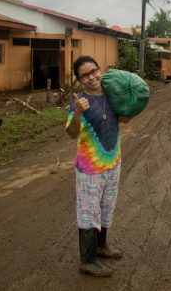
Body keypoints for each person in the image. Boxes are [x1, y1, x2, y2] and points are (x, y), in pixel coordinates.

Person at [65, 55, 123, 277]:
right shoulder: (79, 100)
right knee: (89, 211)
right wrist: (78, 112)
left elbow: (123, 118)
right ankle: (87, 260)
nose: (91, 77)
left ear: (100, 70)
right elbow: (71, 133)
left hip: (113, 162)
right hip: (89, 167)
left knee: (107, 206)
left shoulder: (111, 94)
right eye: (85, 75)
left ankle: (101, 246)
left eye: (94, 71)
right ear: (79, 80)